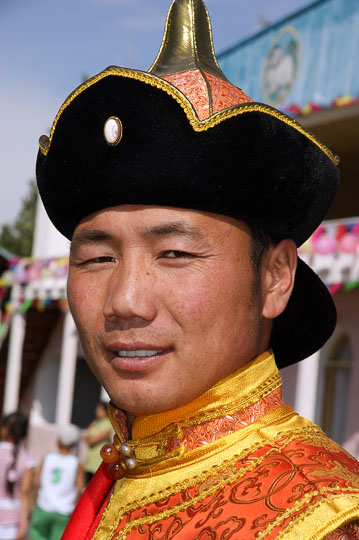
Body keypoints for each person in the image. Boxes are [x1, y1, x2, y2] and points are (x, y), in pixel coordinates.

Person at [35, 0, 359, 538]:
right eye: (97, 257)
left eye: (175, 254)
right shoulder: (126, 471)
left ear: (276, 277)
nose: (125, 300)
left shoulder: (321, 519)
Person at [29, 424, 85, 540]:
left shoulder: (48, 457)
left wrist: (34, 504)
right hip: (64, 512)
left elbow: (36, 482)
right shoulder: (76, 463)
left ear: (59, 441)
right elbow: (79, 488)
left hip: (43, 508)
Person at [0, 412, 37, 540]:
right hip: (13, 521)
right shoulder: (28, 460)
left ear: (5, 429)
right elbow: (25, 493)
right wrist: (24, 524)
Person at [83, 401, 112, 484]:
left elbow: (93, 440)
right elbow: (85, 436)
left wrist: (89, 438)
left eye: (99, 409)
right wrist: (89, 438)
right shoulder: (95, 422)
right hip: (90, 459)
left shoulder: (107, 424)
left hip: (98, 460)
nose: (96, 411)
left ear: (105, 411)